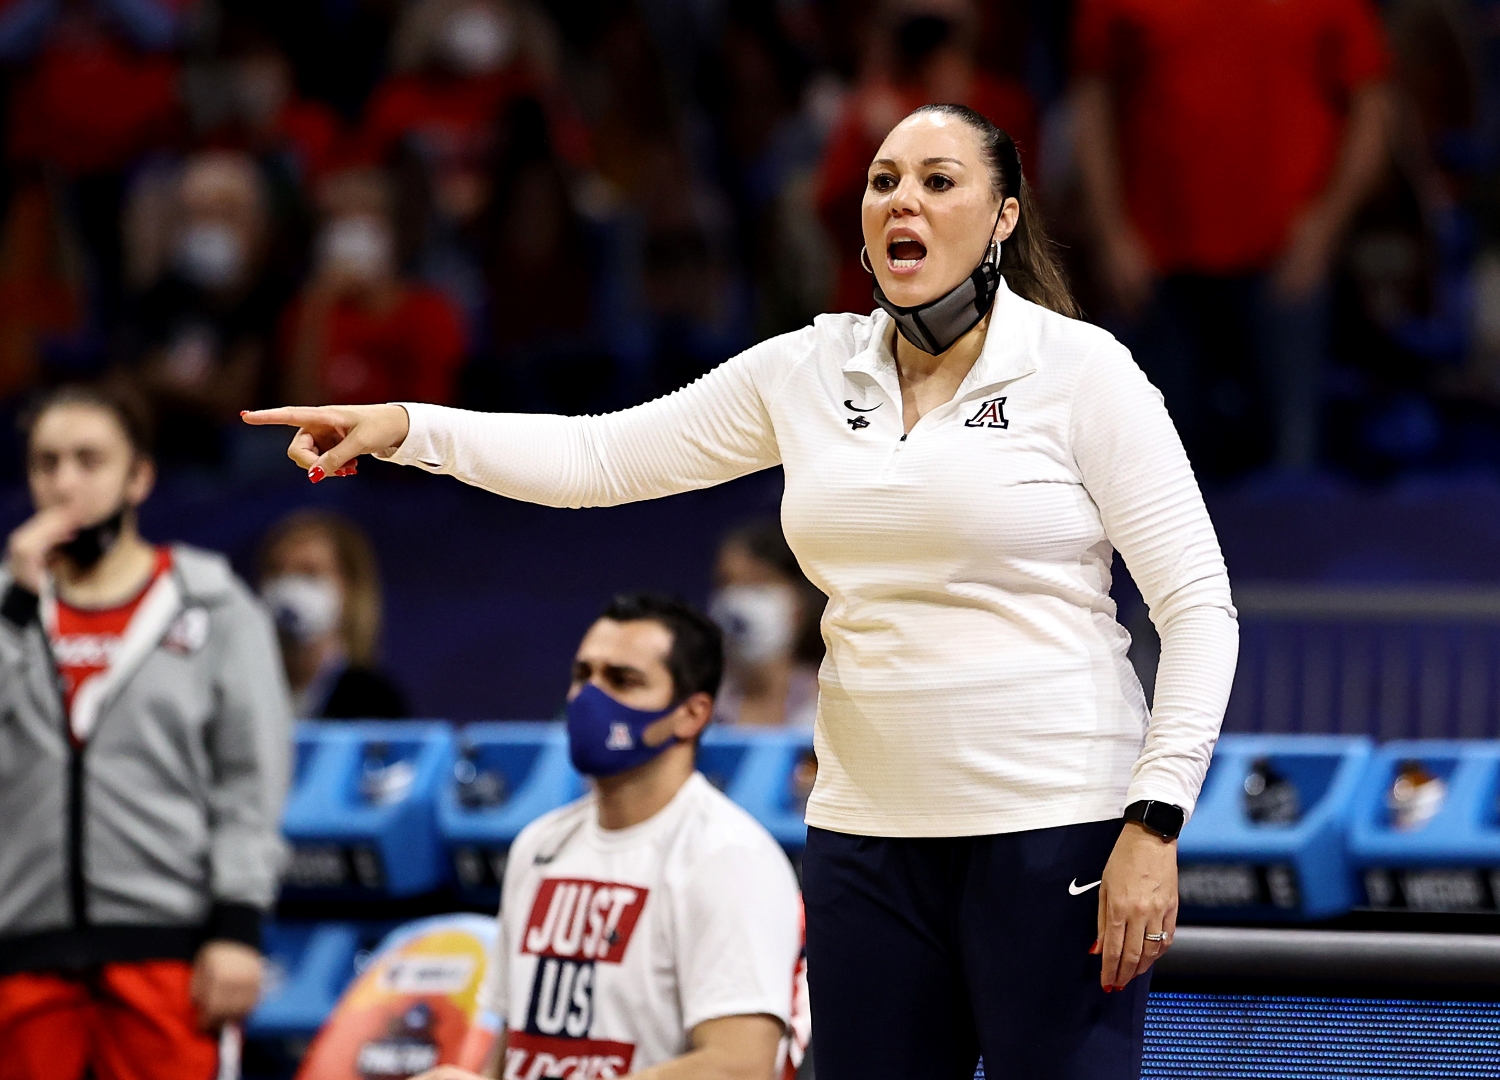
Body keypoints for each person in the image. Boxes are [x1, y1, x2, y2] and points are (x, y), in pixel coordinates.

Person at [246, 102, 1239, 1079]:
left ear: (1004, 217)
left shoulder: (1082, 372)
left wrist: (1154, 823)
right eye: (883, 181)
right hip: (867, 836)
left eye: (939, 183)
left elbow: (1197, 608)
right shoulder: (808, 369)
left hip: (1054, 825)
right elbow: (598, 456)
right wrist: (409, 428)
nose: (904, 202)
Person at [0, 384, 292, 1080]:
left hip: (170, 960)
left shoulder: (213, 606)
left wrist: (237, 929)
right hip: (23, 958)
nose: (64, 482)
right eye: (46, 463)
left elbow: (251, 782)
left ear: (140, 476)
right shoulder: (8, 607)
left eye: (88, 460)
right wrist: (14, 611)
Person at [409, 592, 805, 1080]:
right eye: (583, 676)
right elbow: (516, 1048)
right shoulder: (540, 846)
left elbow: (738, 1067)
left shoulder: (728, 856)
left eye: (623, 680)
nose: (588, 698)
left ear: (692, 714)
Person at [1072, 0, 1393, 477]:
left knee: (1290, 469)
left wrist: (1326, 227)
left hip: (1286, 260)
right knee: (1159, 479)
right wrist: (1110, 232)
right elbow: (1091, 98)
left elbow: (1374, 105)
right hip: (1159, 263)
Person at [119, 151, 286, 466]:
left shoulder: (275, 295)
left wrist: (162, 382)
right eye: (200, 215)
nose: (212, 228)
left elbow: (238, 397)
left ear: (257, 223)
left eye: (226, 214)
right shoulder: (159, 294)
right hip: (164, 440)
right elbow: (127, 381)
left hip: (243, 448)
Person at [280, 168, 466, 407]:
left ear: (393, 228)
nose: (353, 227)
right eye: (339, 216)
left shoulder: (431, 310)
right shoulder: (306, 310)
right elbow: (300, 409)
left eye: (367, 213)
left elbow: (431, 412)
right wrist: (319, 307)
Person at [257, 509, 409, 719]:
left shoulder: (377, 700)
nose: (288, 585)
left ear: (349, 587)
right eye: (276, 571)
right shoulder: (246, 689)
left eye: (309, 572)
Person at [709, 519, 823, 729]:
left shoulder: (833, 699)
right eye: (726, 583)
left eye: (757, 584)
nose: (738, 601)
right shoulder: (699, 707)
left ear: (799, 600)